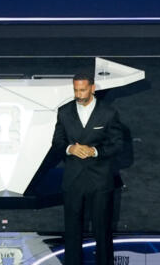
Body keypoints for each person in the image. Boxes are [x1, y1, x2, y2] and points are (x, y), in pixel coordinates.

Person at [52, 73, 125, 265]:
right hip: (73, 180)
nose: (78, 94)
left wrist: (95, 151)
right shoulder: (64, 112)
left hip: (100, 180)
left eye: (83, 90)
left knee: (102, 231)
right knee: (72, 231)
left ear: (92, 88)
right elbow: (57, 143)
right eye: (75, 90)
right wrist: (70, 148)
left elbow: (118, 145)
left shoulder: (108, 113)